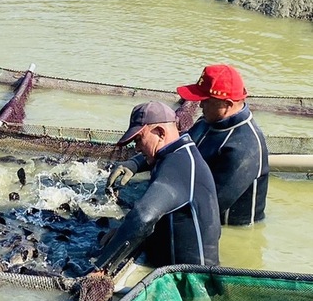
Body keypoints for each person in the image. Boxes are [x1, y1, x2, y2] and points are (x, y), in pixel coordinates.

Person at [108, 65, 269, 225]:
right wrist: (135, 163)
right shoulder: (206, 122)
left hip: (227, 229)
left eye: (205, 101)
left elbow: (209, 208)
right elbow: (175, 150)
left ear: (227, 104)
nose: (199, 105)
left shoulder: (245, 148)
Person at [94, 101, 220, 273]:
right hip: (171, 267)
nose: (137, 148)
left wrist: (100, 267)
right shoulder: (180, 154)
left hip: (190, 281)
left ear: (160, 133)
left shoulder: (177, 166)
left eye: (139, 139)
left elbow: (142, 217)